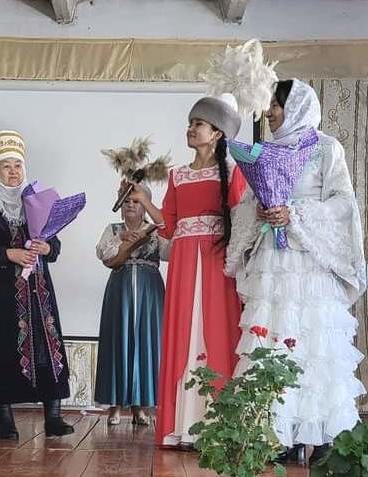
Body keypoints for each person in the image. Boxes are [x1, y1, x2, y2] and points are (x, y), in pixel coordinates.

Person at [226, 79, 366, 465]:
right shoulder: (265, 151)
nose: (268, 112)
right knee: (274, 342)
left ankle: (323, 436)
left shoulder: (325, 148)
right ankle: (279, 434)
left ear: (298, 106)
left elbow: (343, 203)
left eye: (276, 105)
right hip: (273, 263)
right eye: (269, 105)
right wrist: (259, 210)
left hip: (310, 266)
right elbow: (247, 203)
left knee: (313, 346)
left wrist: (296, 213)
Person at [129, 95, 247, 446]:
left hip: (216, 262)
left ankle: (218, 426)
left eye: (199, 124)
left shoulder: (234, 172)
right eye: (190, 123)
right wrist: (144, 199)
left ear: (217, 133)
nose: (191, 129)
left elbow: (242, 222)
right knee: (183, 331)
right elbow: (168, 226)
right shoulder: (177, 175)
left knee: (217, 331)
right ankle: (180, 426)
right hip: (183, 263)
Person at [0, 130, 74, 439]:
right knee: (1, 347)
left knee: (46, 346)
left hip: (38, 291)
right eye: (6, 166)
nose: (13, 172)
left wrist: (46, 247)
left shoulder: (35, 200)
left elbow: (55, 246)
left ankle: (53, 417)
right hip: (0, 293)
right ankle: (5, 420)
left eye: (17, 165)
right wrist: (8, 254)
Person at [94, 183, 167, 426]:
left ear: (146, 204)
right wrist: (120, 238)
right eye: (127, 201)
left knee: (147, 342)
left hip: (150, 291)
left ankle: (141, 406)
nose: (131, 205)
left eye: (137, 201)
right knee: (118, 340)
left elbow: (169, 251)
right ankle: (114, 405)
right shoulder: (113, 229)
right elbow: (103, 253)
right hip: (120, 290)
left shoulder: (154, 230)